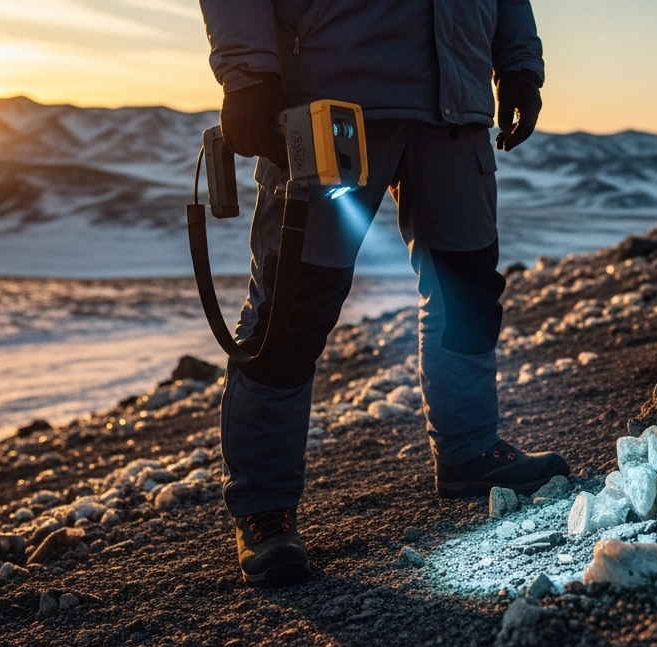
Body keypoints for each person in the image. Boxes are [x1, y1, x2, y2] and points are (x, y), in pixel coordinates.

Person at [198, 0, 569, 586]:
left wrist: (517, 62)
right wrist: (249, 76)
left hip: (455, 102)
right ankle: (265, 505)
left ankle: (469, 452)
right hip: (330, 99)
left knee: (467, 292)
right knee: (291, 309)